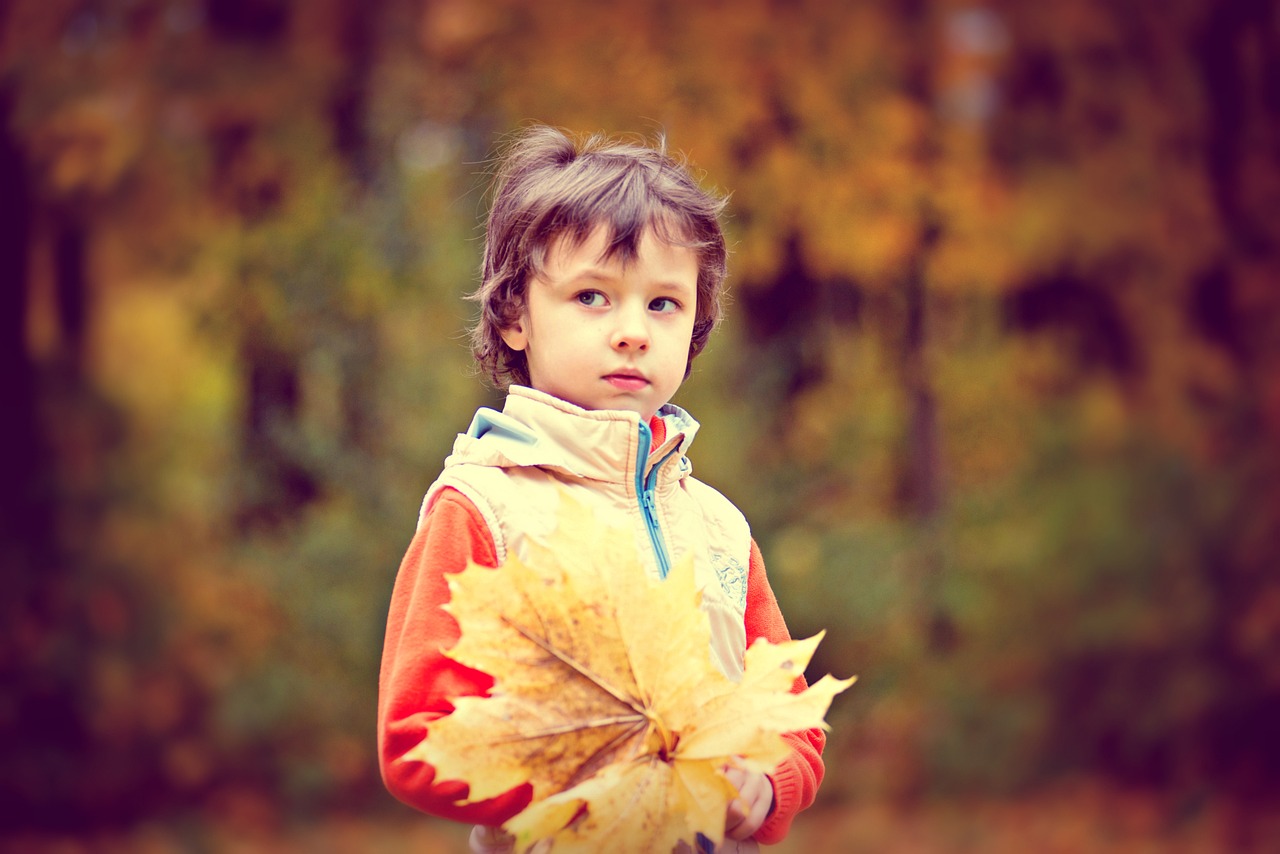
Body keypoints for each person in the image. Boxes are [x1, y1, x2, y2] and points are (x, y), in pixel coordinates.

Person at [377, 125, 826, 853]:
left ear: (696, 325)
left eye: (663, 304)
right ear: (516, 316)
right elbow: (418, 735)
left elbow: (788, 714)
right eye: (592, 296)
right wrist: (585, 768)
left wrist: (768, 782)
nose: (631, 332)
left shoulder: (717, 529)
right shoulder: (485, 508)